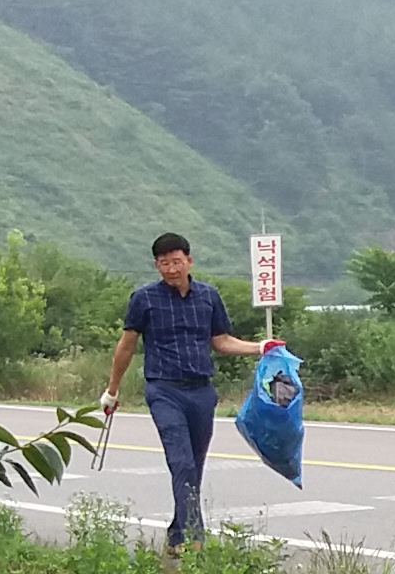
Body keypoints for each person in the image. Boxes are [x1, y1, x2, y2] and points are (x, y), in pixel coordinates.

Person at [97, 232, 269, 553]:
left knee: (194, 465)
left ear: (189, 260)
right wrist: (112, 390)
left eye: (177, 261)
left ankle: (178, 534)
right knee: (181, 462)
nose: (171, 269)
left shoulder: (208, 296)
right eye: (164, 263)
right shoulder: (144, 299)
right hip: (163, 390)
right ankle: (195, 540)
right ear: (156, 266)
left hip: (202, 392)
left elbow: (221, 341)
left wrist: (260, 347)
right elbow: (126, 346)